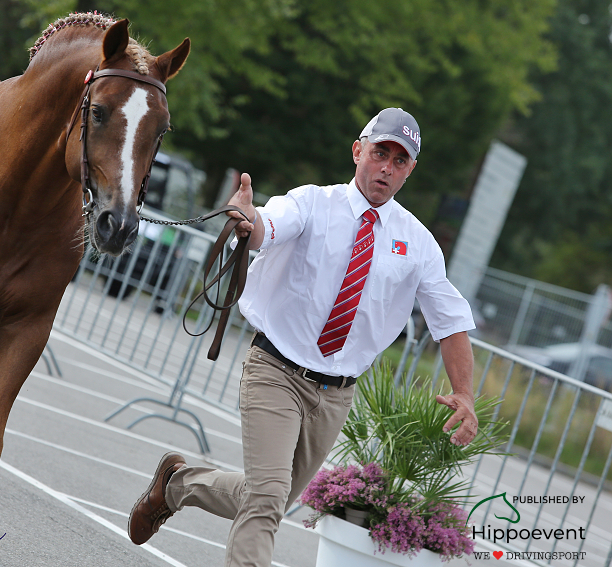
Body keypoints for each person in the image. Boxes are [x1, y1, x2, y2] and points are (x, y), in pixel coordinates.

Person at [127, 108, 478, 567]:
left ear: (410, 169)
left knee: (264, 498)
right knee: (267, 500)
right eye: (380, 153)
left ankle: (176, 483)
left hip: (335, 396)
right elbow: (268, 227)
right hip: (276, 370)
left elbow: (449, 321)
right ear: (358, 151)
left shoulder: (419, 244)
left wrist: (465, 394)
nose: (387, 167)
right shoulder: (312, 202)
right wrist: (248, 218)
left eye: (400, 160)